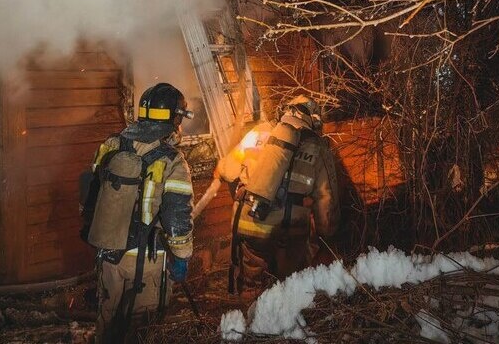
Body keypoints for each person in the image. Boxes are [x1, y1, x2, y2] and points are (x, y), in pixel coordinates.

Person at [79, 83, 194, 343]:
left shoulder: (111, 145)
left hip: (109, 255)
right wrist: (182, 256)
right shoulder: (172, 159)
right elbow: (177, 216)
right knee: (144, 330)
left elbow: (92, 192)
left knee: (107, 326)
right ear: (175, 118)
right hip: (148, 261)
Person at [216, 95, 340, 295]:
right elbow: (326, 199)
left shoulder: (258, 133)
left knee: (253, 287)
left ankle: (251, 319)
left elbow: (227, 170)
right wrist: (327, 241)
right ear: (314, 119)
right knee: (292, 289)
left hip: (251, 225)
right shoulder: (317, 146)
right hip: (290, 231)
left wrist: (219, 169)